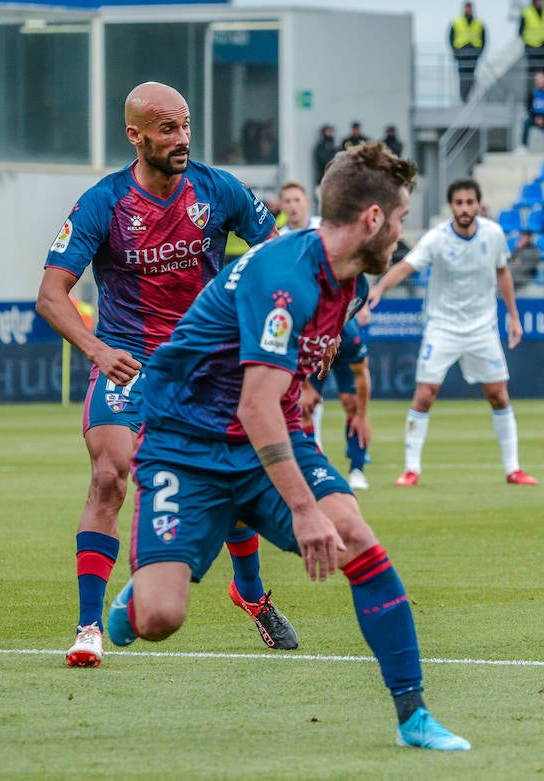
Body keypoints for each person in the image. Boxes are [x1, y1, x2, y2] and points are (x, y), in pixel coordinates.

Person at [102, 141, 470, 751]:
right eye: (401, 218)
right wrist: (303, 510)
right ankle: (140, 592)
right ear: (373, 220)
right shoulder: (287, 277)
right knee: (161, 620)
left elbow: (286, 388)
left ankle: (414, 718)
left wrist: (309, 408)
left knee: (355, 538)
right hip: (184, 446)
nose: (403, 234)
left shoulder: (346, 285)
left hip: (267, 437)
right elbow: (254, 403)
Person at [36, 81, 287, 669]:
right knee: (110, 476)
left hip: (202, 363)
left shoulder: (219, 188)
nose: (182, 139)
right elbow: (51, 296)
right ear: (136, 135)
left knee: (231, 490)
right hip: (126, 358)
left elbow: (275, 252)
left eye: (186, 126)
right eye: (168, 129)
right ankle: (89, 627)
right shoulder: (103, 202)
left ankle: (249, 592)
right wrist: (97, 350)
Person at [369, 178, 530, 486]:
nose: (465, 208)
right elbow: (406, 267)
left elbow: (502, 272)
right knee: (424, 395)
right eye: (459, 202)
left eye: (470, 202)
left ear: (478, 205)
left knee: (498, 395)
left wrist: (513, 316)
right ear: (452, 206)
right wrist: (380, 288)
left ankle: (513, 468)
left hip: (482, 327)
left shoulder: (493, 234)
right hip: (442, 327)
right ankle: (411, 469)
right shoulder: (437, 238)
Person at [300, 312, 374, 490]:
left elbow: (361, 374)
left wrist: (362, 415)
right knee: (303, 406)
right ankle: (312, 468)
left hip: (341, 354)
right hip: (313, 352)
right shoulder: (306, 327)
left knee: (353, 404)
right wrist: (304, 386)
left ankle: (357, 470)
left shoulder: (350, 337)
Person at [449, 0, 486, 102]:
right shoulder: (457, 22)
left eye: (469, 8)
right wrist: (455, 51)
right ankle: (463, 97)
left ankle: (468, 95)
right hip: (462, 52)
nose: (468, 10)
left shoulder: (478, 23)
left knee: (471, 75)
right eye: (467, 8)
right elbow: (451, 37)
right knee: (463, 75)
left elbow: (483, 38)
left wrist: (480, 52)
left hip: (473, 52)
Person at [520, 0, 544, 82]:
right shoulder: (527, 13)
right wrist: (529, 39)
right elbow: (521, 30)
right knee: (533, 71)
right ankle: (533, 91)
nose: (541, 3)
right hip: (532, 46)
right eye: (539, 1)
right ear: (534, 2)